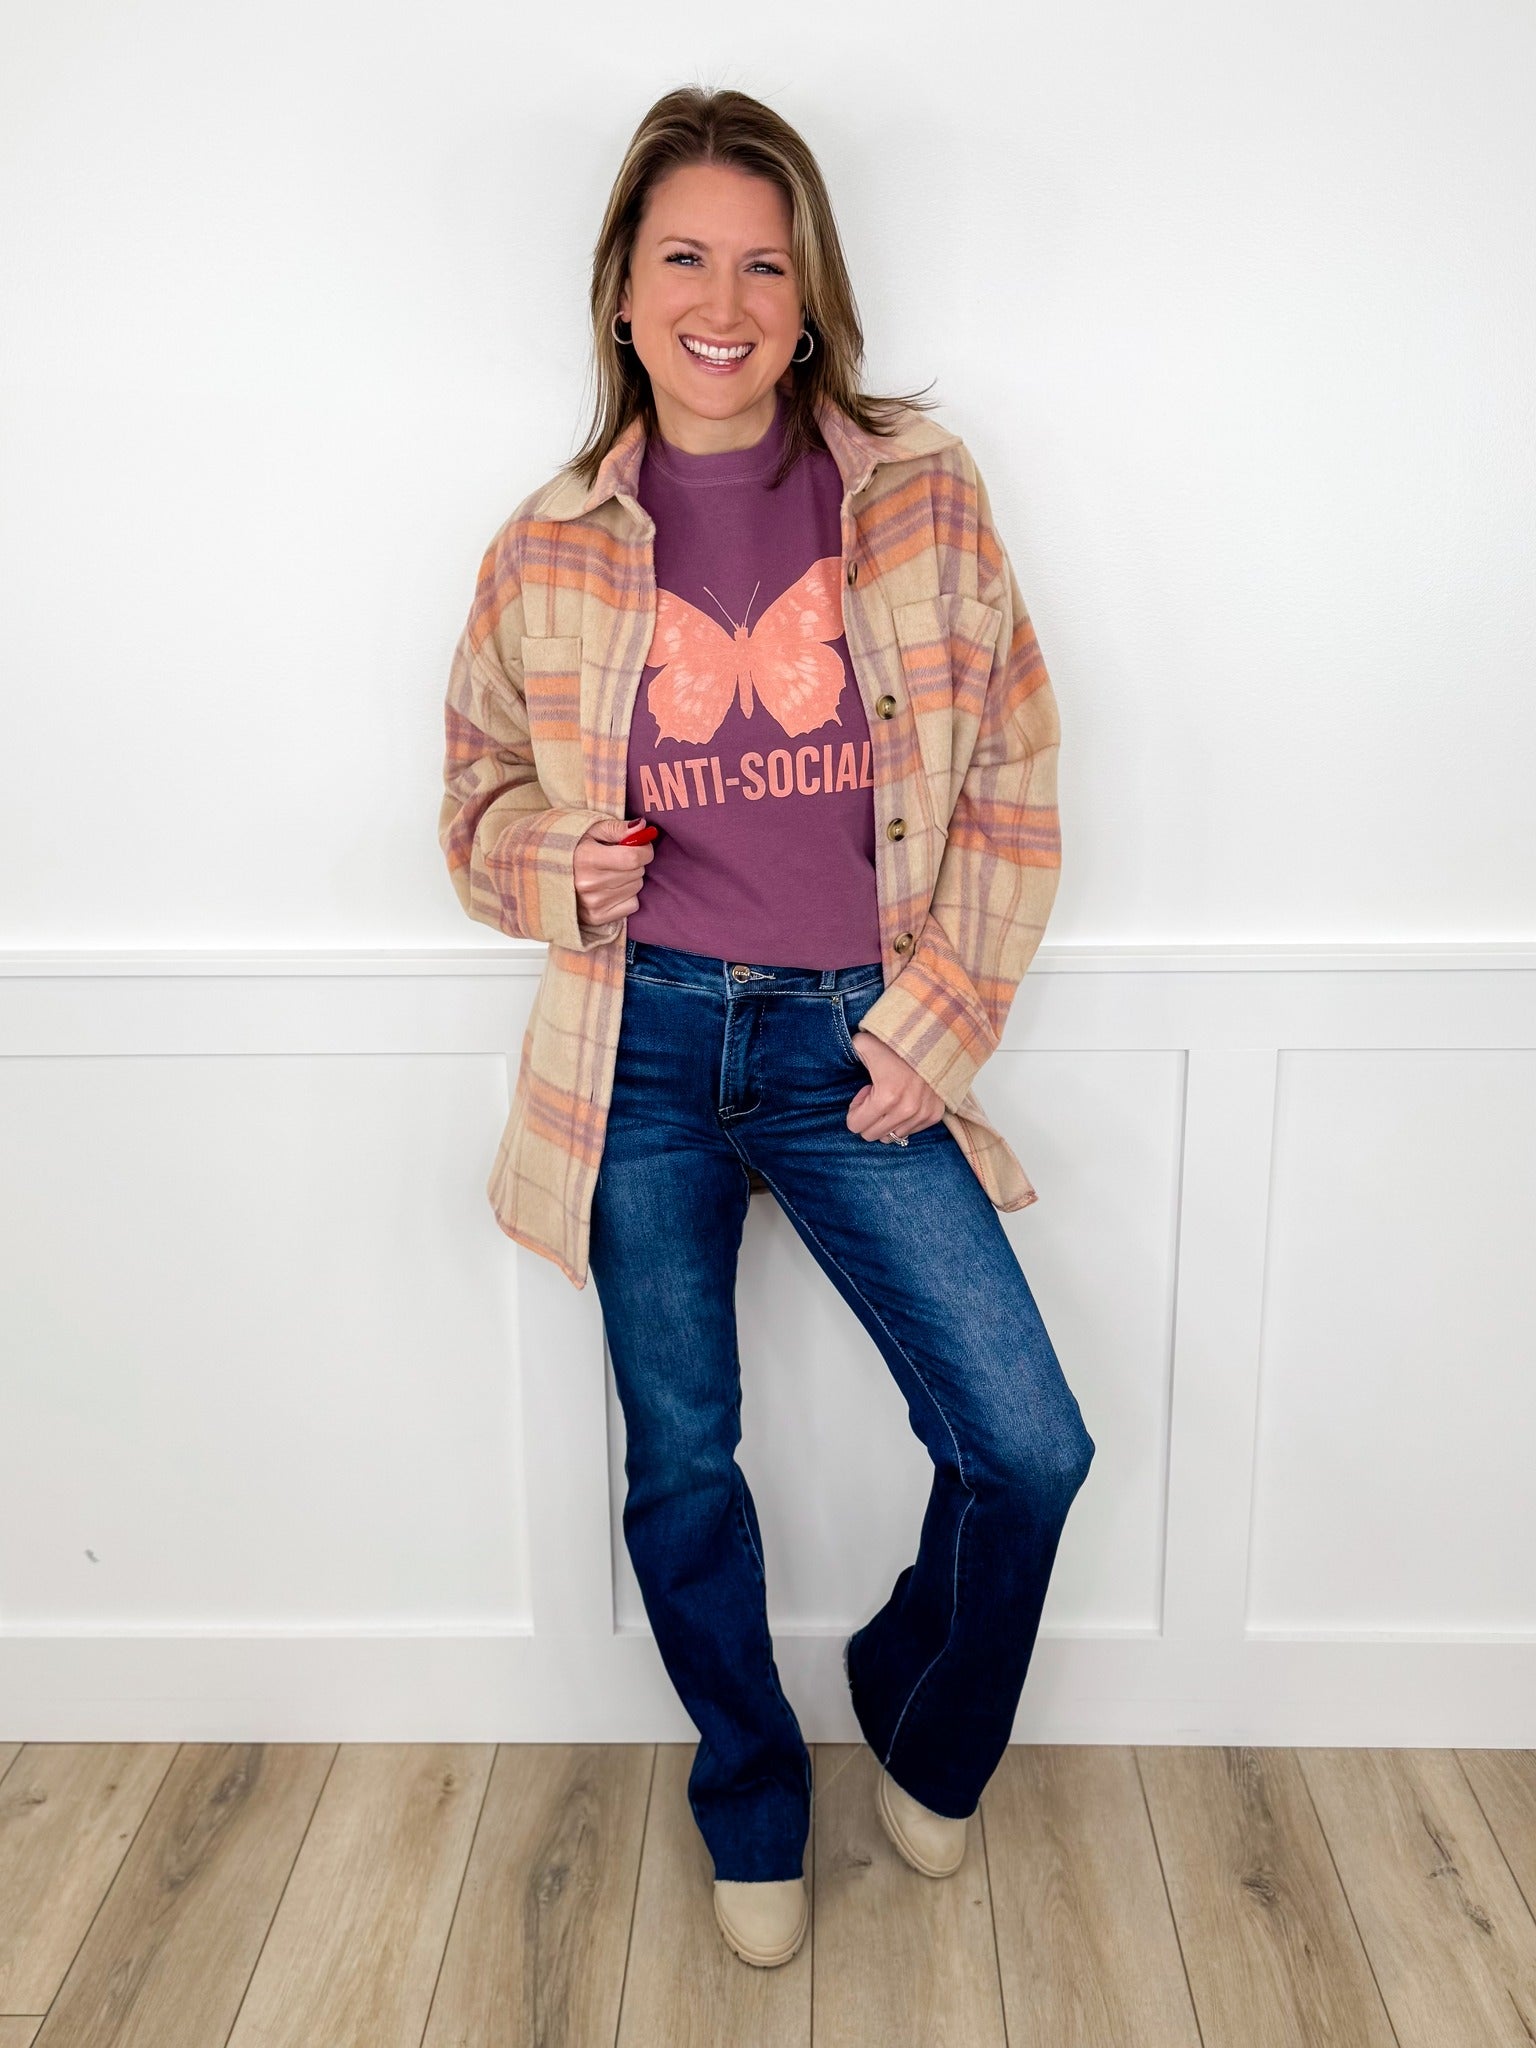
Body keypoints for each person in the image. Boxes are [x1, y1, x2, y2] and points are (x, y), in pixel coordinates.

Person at [438, 84, 1096, 1970]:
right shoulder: (547, 548)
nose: (721, 303)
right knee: (682, 1464)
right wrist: (552, 863)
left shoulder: (917, 491)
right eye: (683, 259)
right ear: (622, 291)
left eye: (763, 265)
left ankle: (919, 1713)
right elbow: (473, 798)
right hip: (635, 1051)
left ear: (810, 302)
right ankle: (749, 1791)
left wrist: (937, 1019)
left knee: (1028, 1448)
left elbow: (1017, 775)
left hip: (851, 1040)